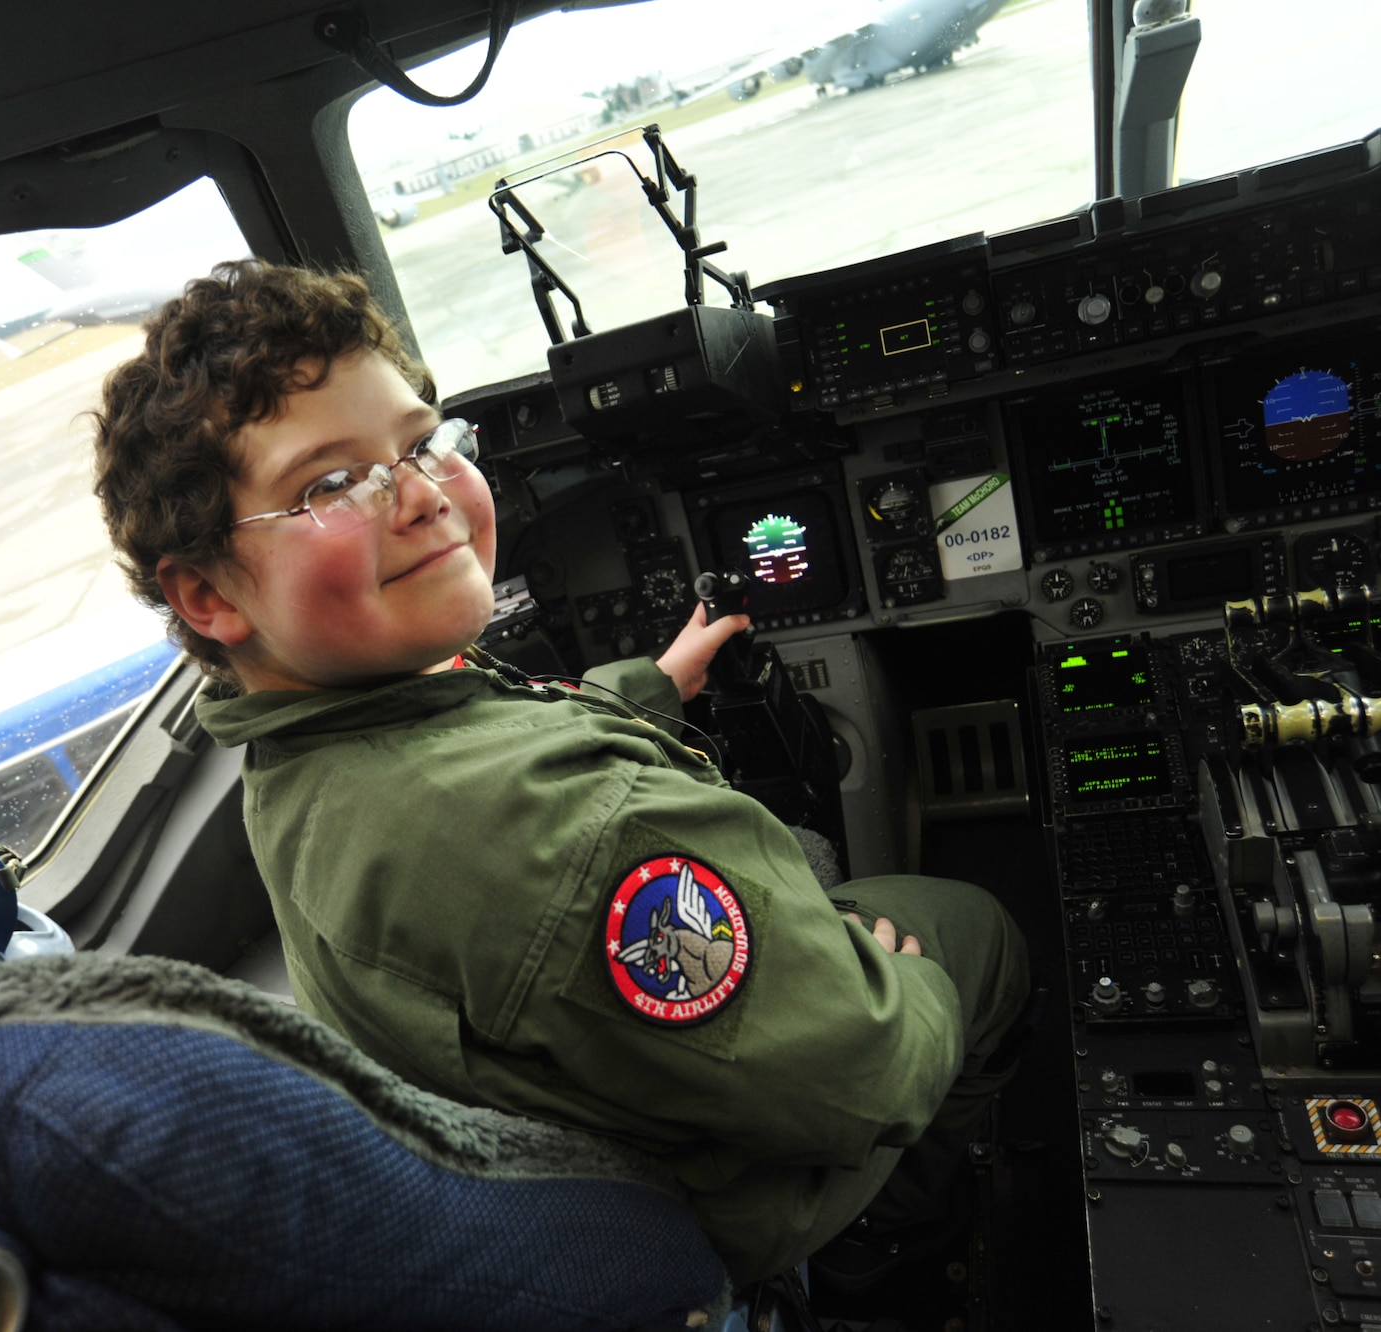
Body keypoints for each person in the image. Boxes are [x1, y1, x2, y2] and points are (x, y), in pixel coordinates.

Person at [90, 259, 1029, 1283]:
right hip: (732, 1208)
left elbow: (474, 738)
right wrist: (904, 986)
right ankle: (905, 1250)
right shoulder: (577, 831)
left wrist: (652, 683)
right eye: (329, 484)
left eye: (420, 443)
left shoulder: (310, 751)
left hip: (574, 1142)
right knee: (969, 932)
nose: (421, 498)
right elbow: (865, 1070)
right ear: (206, 596)